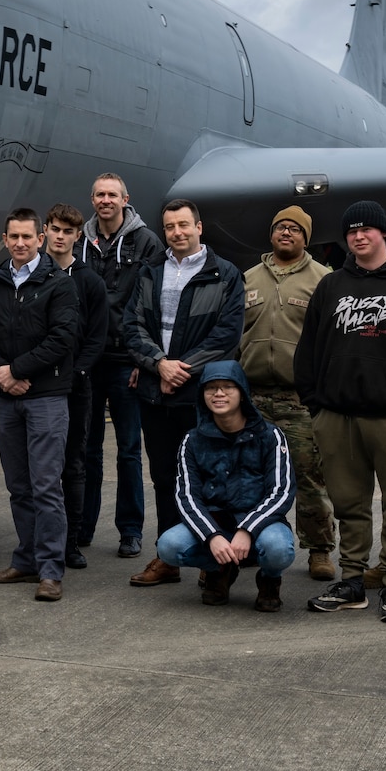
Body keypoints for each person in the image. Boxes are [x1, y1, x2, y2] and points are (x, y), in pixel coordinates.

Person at [293, 200, 386, 624]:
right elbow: (308, 351)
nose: (359, 237)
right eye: (351, 232)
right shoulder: (331, 286)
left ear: (382, 234)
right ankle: (353, 580)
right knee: (348, 503)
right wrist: (316, 404)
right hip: (336, 416)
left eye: (367, 230)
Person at [122, 199, 246, 588]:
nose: (177, 232)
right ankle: (168, 557)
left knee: (210, 477)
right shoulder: (150, 271)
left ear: (199, 227)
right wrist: (159, 363)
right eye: (170, 227)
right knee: (164, 477)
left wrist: (181, 369)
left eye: (183, 225)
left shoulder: (224, 274)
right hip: (155, 391)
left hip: (199, 395)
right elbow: (132, 325)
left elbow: (225, 338)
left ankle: (217, 562)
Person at [0, 208, 82, 601]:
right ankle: (26, 560)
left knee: (45, 486)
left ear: (41, 239)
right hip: (6, 400)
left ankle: (51, 571)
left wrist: (16, 371)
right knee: (18, 487)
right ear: (5, 240)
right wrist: (0, 373)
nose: (20, 243)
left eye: (27, 237)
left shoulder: (59, 283)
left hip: (46, 399)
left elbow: (62, 339)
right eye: (13, 237)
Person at [238, 206, 337, 581]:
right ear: (271, 233)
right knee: (252, 476)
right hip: (254, 397)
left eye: (295, 229)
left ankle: (320, 550)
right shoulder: (248, 278)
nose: (286, 233)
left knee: (310, 478)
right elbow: (236, 336)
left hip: (301, 400)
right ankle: (252, 542)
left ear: (305, 238)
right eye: (280, 227)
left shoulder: (323, 280)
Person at [157, 361, 296, 610]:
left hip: (261, 523)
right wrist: (211, 536)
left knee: (278, 549)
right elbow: (186, 496)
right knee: (168, 546)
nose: (218, 394)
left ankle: (269, 579)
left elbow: (281, 491)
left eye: (227, 387)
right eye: (211, 388)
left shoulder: (270, 435)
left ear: (242, 393)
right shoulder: (192, 440)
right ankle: (219, 569)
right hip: (215, 520)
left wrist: (248, 530)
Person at [80, 173, 165, 559]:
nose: (105, 200)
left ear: (125, 199)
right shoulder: (82, 242)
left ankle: (130, 531)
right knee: (87, 448)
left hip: (126, 361)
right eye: (99, 194)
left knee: (129, 449)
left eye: (112, 194)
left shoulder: (146, 242)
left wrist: (143, 359)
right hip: (88, 361)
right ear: (92, 199)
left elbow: (155, 304)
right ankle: (83, 525)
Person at [43, 204, 109, 571]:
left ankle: (70, 543)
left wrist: (77, 373)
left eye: (68, 231)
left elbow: (97, 337)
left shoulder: (90, 282)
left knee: (73, 464)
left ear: (77, 235)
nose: (60, 236)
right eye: (55, 229)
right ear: (45, 230)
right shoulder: (31, 275)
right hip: (37, 386)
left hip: (76, 388)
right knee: (40, 468)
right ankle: (41, 538)